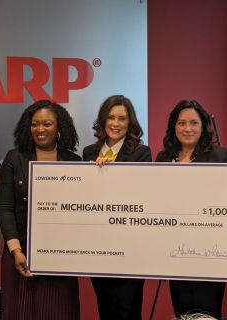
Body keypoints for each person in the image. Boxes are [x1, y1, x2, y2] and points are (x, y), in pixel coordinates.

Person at [0, 100, 81, 320]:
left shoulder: (75, 162)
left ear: (59, 127)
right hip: (21, 255)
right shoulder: (14, 158)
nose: (40, 129)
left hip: (62, 259)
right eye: (35, 124)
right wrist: (16, 251)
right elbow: (5, 208)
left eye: (47, 124)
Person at [156, 100, 227, 318]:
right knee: (181, 311)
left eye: (193, 122)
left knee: (206, 313)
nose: (187, 128)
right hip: (175, 251)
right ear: (174, 126)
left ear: (203, 126)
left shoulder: (221, 157)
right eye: (182, 123)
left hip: (210, 252)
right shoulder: (163, 158)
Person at [83, 95, 151, 320]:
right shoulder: (89, 153)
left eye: (122, 118)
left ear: (130, 123)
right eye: (111, 117)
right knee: (105, 308)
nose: (116, 123)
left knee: (127, 311)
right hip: (97, 246)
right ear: (103, 121)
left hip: (129, 247)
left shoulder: (141, 153)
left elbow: (141, 195)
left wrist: (113, 171)